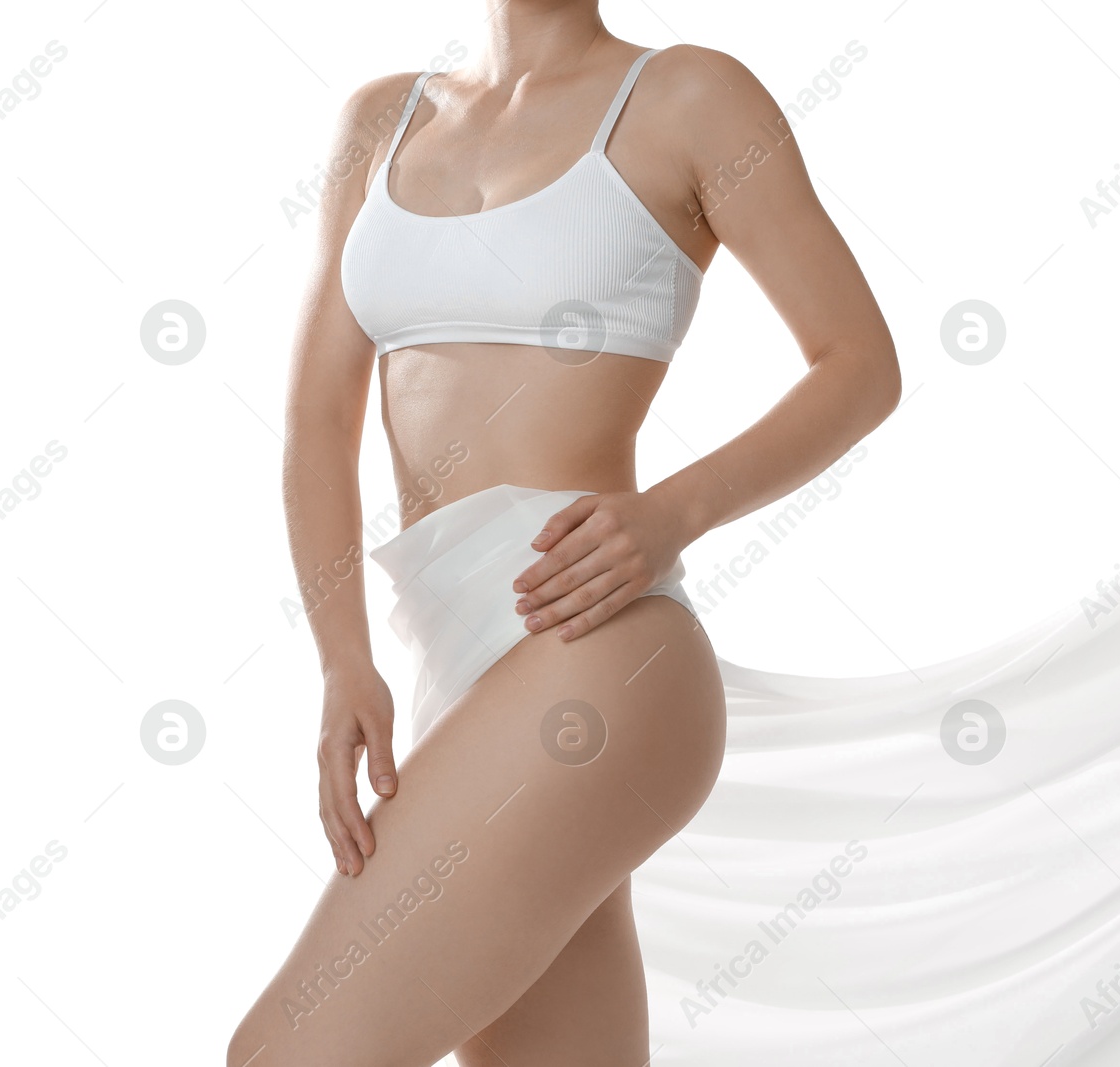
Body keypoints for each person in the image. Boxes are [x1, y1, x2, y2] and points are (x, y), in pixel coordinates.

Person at [227, 4, 899, 1065]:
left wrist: (670, 512)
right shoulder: (379, 121)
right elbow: (317, 418)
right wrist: (342, 657)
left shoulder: (687, 96)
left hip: (595, 641)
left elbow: (859, 365)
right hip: (450, 656)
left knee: (292, 1052)